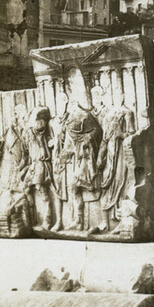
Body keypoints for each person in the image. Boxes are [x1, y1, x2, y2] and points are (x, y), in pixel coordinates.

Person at [57, 92, 102, 231]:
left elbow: (97, 131)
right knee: (73, 187)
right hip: (78, 158)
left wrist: (86, 139)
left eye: (72, 103)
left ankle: (81, 219)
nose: (69, 106)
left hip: (87, 157)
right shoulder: (70, 119)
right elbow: (69, 142)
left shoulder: (86, 117)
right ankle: (79, 220)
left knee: (73, 185)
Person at [96, 87, 136, 232]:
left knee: (120, 184)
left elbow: (132, 134)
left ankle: (121, 221)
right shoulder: (109, 113)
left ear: (124, 96)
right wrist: (102, 151)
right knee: (106, 184)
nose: (117, 97)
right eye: (115, 94)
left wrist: (120, 134)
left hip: (120, 154)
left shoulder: (127, 112)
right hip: (109, 152)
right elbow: (104, 136)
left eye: (120, 94)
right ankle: (104, 221)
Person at [24, 106, 60, 231]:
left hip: (41, 163)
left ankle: (48, 220)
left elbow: (38, 128)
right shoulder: (29, 131)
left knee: (42, 190)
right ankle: (32, 217)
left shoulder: (40, 127)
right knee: (25, 188)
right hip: (34, 163)